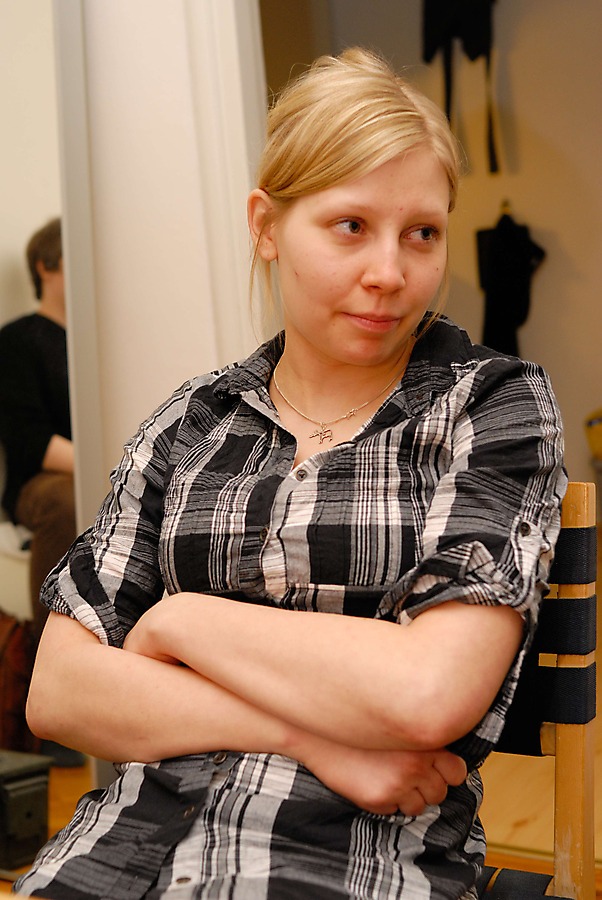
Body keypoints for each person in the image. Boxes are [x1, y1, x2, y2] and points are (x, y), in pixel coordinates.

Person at [14, 48, 565, 900]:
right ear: (267, 226)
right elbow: (58, 690)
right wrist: (320, 739)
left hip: (352, 865)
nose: (390, 273)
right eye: (351, 226)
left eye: (422, 233)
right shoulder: (190, 421)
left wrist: (183, 621)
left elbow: (429, 692)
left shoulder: (493, 407)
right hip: (120, 859)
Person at [0, 217, 76, 645]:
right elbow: (30, 441)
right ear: (45, 266)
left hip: (96, 468)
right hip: (40, 482)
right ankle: (46, 654)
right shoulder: (17, 340)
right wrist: (111, 464)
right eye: (72, 259)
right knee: (66, 500)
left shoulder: (92, 343)